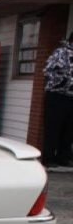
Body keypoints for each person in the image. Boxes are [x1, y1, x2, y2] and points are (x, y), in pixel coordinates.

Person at [42, 32, 73, 167]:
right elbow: (47, 70)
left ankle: (63, 157)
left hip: (71, 97)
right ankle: (48, 158)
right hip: (57, 95)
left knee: (69, 129)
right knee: (53, 127)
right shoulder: (61, 52)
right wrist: (63, 79)